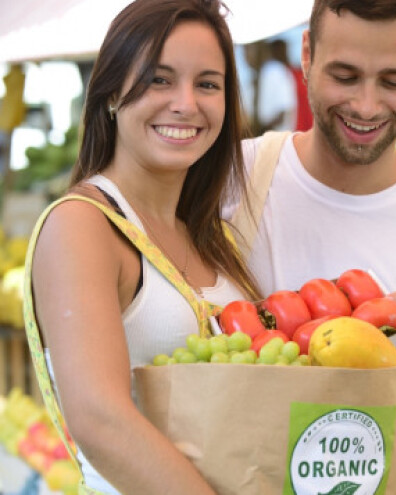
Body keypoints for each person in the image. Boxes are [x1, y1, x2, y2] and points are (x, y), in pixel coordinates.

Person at [225, 0, 396, 457]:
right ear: (307, 56)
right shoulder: (227, 182)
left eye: (393, 81)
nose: (366, 105)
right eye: (345, 76)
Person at [24, 1, 262, 493]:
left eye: (208, 84)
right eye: (159, 79)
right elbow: (99, 419)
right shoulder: (82, 225)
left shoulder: (209, 236)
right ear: (111, 92)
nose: (186, 103)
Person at [244, 39, 296, 133]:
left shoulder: (276, 71)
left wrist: (260, 130)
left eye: (249, 49)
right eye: (244, 50)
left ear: (260, 49)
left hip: (275, 140)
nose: (245, 55)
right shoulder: (252, 78)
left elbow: (283, 113)